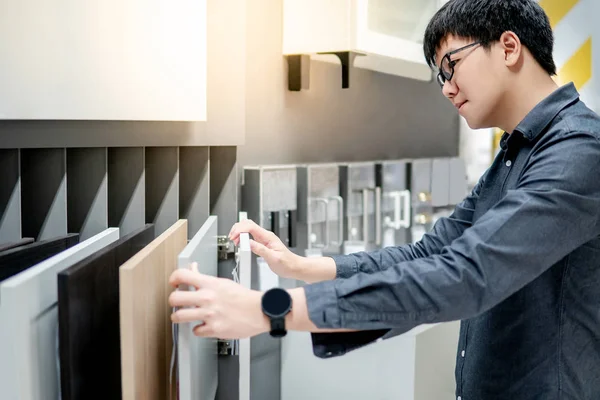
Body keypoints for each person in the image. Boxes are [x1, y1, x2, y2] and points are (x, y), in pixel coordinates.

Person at [168, 0, 600, 398]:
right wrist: (303, 266)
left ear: (508, 47)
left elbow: (468, 275)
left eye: (451, 66)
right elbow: (431, 253)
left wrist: (271, 310)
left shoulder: (578, 151)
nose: (447, 88)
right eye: (440, 77)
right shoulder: (515, 152)